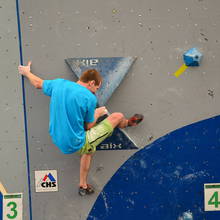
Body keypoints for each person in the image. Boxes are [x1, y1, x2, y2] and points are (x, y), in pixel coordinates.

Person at [18, 61, 144, 196]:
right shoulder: (89, 98)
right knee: (116, 118)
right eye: (96, 88)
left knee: (88, 148)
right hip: (76, 142)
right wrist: (98, 113)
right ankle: (127, 123)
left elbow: (38, 83)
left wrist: (26, 72)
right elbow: (89, 126)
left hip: (57, 137)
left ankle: (83, 183)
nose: (96, 92)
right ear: (91, 83)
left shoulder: (59, 84)